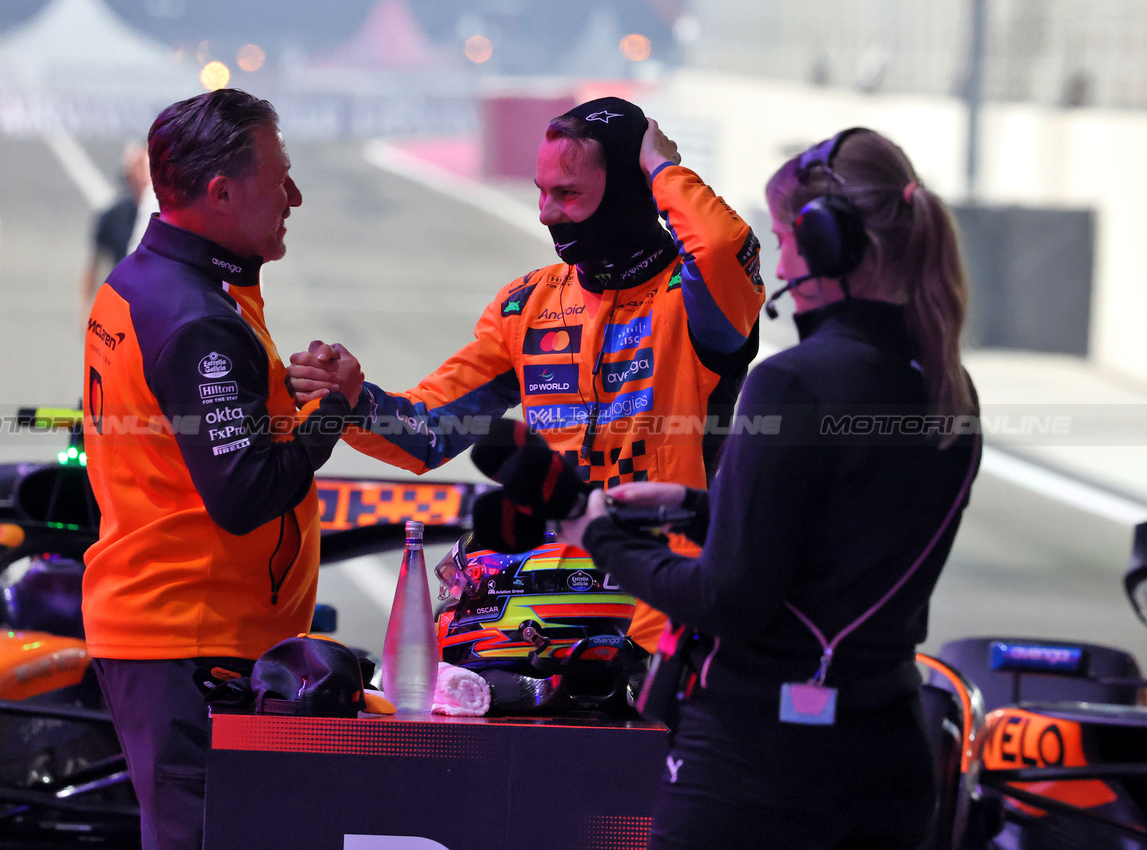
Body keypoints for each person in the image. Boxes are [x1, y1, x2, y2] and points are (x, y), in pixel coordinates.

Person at [559, 127, 982, 848]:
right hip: (885, 762)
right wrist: (698, 505)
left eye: (786, 237)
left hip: (759, 767)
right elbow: (843, 533)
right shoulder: (949, 390)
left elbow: (729, 600)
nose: (780, 257)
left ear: (826, 244)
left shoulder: (792, 384)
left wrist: (596, 536)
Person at [288, 97, 766, 653]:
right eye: (541, 191)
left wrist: (662, 168)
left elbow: (721, 247)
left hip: (662, 621)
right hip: (542, 618)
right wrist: (354, 403)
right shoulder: (528, 303)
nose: (545, 212)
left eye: (566, 194)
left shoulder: (698, 299)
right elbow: (429, 432)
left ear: (630, 192)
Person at [81, 88, 360, 850]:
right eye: (281, 178)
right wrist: (332, 411)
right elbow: (243, 495)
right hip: (191, 640)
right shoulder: (198, 315)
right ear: (222, 191)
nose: (294, 197)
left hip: (163, 628)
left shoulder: (148, 282)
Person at [77, 141, 151, 325]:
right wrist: (86, 308)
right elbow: (94, 263)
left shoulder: (167, 212)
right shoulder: (112, 215)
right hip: (124, 300)